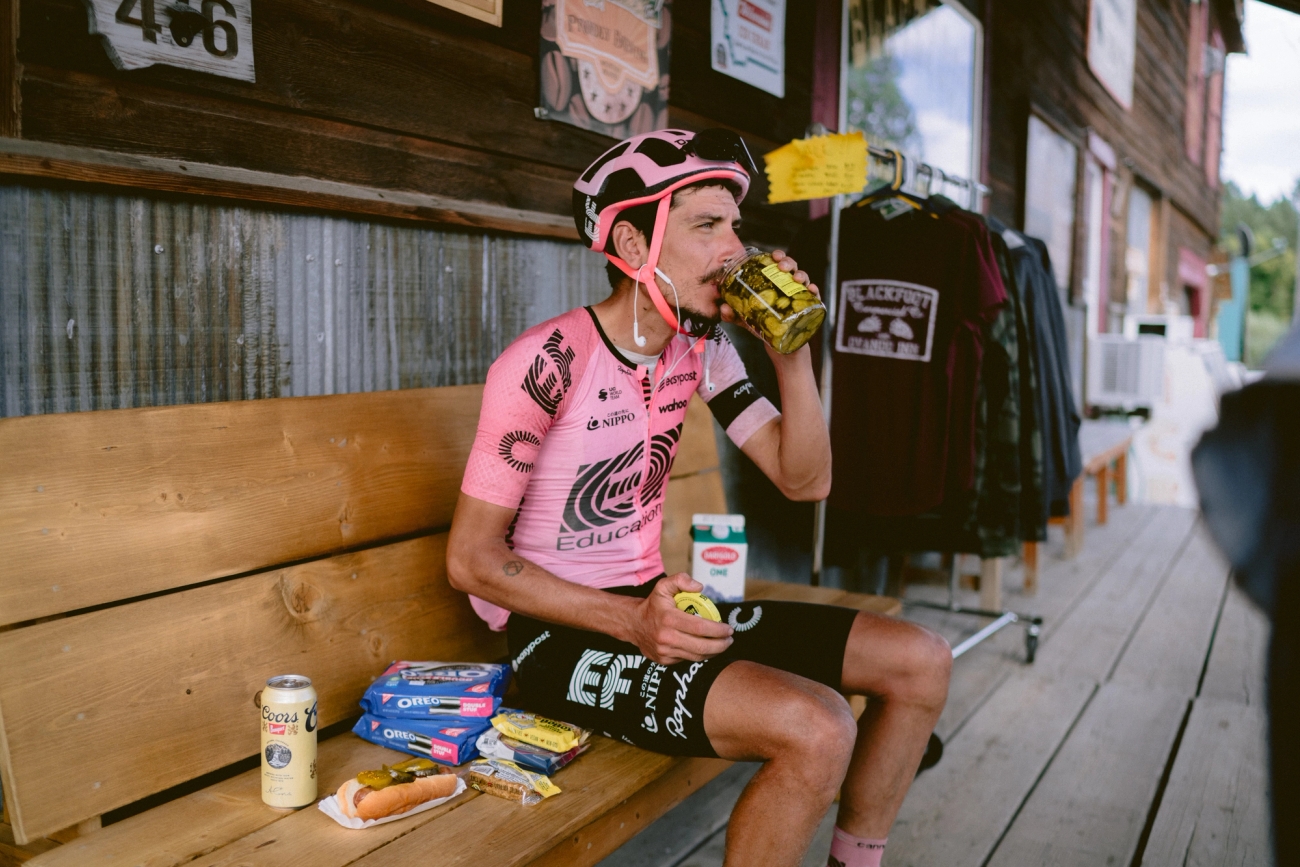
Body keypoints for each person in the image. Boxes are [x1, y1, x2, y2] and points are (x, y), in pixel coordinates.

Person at [447, 128, 952, 867]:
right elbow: (471, 560)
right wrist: (630, 620)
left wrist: (791, 355)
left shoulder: (702, 350)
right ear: (631, 242)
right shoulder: (546, 362)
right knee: (820, 727)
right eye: (707, 225)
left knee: (920, 660)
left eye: (735, 227)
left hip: (658, 609)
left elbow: (806, 480)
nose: (734, 250)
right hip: (558, 637)